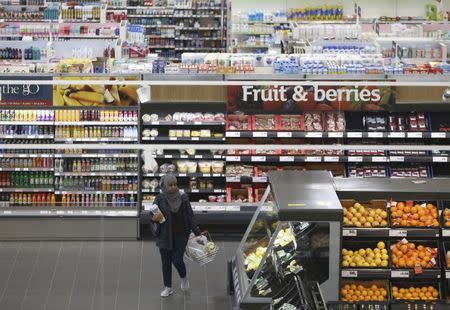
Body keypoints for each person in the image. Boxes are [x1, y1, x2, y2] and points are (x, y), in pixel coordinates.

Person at [152, 174, 201, 297]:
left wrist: (197, 233)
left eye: (175, 185)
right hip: (164, 235)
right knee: (166, 262)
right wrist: (155, 217)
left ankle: (183, 277)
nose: (173, 187)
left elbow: (190, 216)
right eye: (170, 185)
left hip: (181, 234)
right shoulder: (160, 198)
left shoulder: (183, 197)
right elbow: (151, 215)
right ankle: (168, 287)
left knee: (177, 259)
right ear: (164, 186)